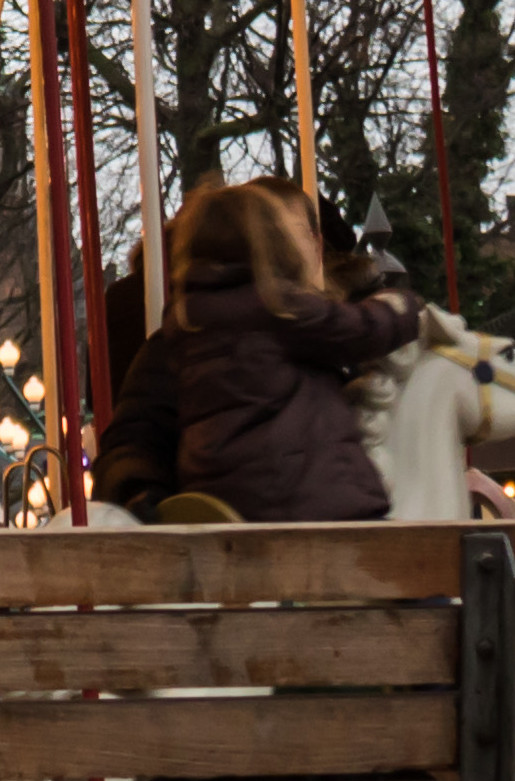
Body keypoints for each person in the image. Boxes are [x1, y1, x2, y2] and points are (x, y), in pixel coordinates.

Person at [86, 177, 417, 525]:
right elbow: (134, 435)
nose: (285, 247)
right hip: (293, 513)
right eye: (277, 236)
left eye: (293, 235)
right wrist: (139, 489)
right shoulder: (192, 337)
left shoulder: (331, 326)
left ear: (317, 245)